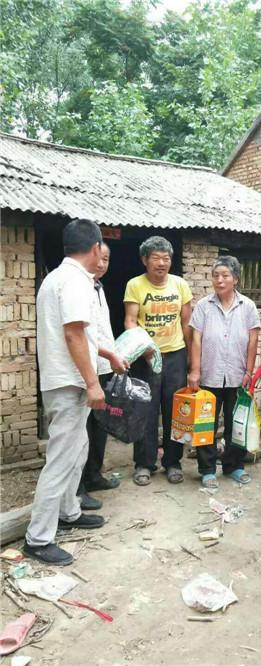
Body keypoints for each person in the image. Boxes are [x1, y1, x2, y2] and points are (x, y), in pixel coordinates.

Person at [23, 219, 127, 566]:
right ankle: (38, 538)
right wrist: (93, 383)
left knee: (78, 449)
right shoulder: (76, 281)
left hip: (66, 380)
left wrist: (109, 354)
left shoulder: (58, 278)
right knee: (62, 458)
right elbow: (73, 334)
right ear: (96, 247)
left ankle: (69, 512)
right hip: (70, 383)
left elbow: (82, 335)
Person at [124, 236, 193, 486]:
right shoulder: (135, 285)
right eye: (156, 258)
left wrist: (191, 358)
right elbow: (130, 321)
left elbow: (187, 322)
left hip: (175, 355)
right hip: (146, 357)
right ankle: (144, 463)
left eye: (166, 258)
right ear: (145, 260)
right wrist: (143, 348)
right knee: (145, 410)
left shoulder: (180, 285)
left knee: (176, 411)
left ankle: (173, 462)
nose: (161, 263)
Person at [188, 256, 261, 488]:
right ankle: (207, 469)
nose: (219, 280)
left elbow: (253, 340)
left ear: (235, 279)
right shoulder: (203, 306)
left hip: (237, 375)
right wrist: (195, 371)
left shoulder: (248, 306)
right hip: (209, 374)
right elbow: (196, 339)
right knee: (205, 424)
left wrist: (249, 371)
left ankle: (234, 465)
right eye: (216, 275)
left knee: (235, 423)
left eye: (225, 275)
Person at [77, 243, 119, 511]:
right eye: (99, 258)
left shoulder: (99, 287)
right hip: (87, 368)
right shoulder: (79, 287)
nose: (102, 264)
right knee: (81, 430)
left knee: (100, 425)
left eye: (107, 259)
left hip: (103, 366)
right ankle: (77, 487)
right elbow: (80, 335)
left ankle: (94, 474)